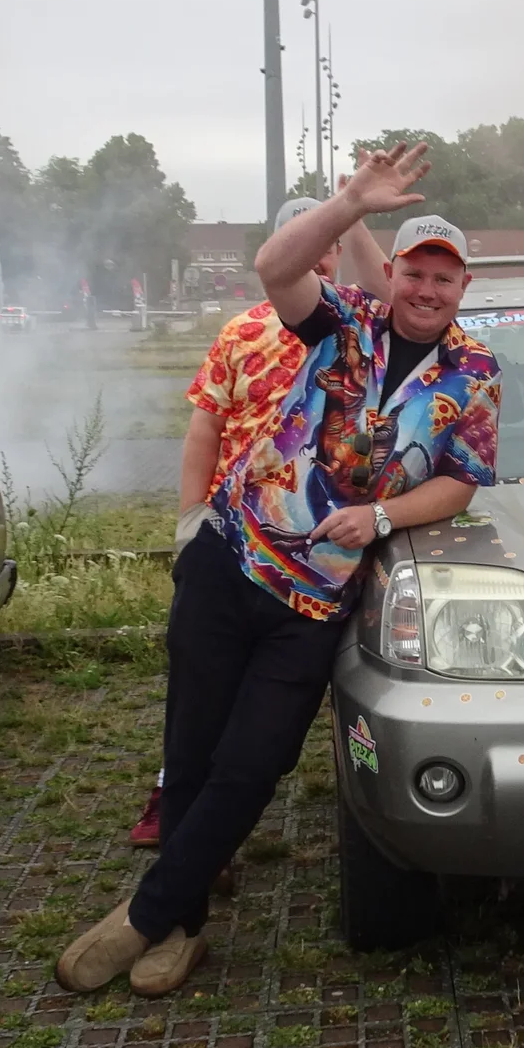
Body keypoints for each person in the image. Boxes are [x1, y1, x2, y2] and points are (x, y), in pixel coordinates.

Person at [56, 143, 500, 997]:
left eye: (446, 278)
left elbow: (459, 481)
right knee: (189, 751)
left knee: (254, 762)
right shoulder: (345, 322)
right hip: (230, 561)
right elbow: (273, 264)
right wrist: (350, 204)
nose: (427, 290)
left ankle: (146, 917)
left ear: (463, 289)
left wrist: (382, 514)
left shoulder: (473, 373)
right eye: (416, 271)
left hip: (317, 599)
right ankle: (179, 928)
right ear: (394, 273)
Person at [126, 194, 387, 848]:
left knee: (271, 713)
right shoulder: (242, 332)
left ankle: (227, 819)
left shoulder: (359, 334)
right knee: (200, 695)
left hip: (316, 554)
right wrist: (190, 520)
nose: (316, 252)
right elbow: (203, 428)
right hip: (230, 543)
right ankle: (179, 809)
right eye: (301, 239)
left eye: (324, 241)